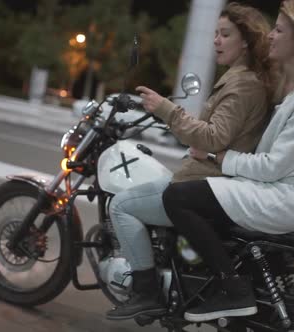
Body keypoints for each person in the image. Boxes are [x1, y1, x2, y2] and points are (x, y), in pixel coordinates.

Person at [161, 0, 294, 323]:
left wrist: (221, 157)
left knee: (178, 197)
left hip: (288, 198)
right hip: (282, 191)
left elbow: (272, 166)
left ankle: (233, 288)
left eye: (279, 29)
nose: (270, 36)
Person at [106, 3, 272, 320]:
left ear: (246, 42)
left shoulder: (243, 85)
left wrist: (166, 110)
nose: (216, 41)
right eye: (215, 34)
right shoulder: (242, 80)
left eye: (225, 35)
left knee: (121, 206)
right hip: (210, 175)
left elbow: (212, 138)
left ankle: (145, 292)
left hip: (206, 180)